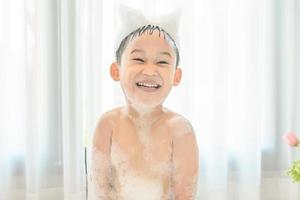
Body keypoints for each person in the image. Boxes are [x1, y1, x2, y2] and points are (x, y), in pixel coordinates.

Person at [88, 6, 199, 200]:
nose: (150, 71)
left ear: (176, 76)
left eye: (162, 62)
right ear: (116, 71)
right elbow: (100, 192)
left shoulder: (180, 130)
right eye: (139, 59)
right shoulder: (107, 125)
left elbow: (185, 196)